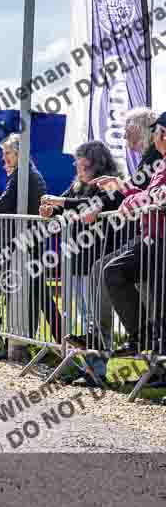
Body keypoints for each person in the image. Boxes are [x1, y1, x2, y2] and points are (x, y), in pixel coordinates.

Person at [39, 141, 124, 386]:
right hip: (76, 259)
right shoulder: (77, 185)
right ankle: (88, 368)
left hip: (97, 259)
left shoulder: (108, 185)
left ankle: (98, 371)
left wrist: (59, 203)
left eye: (81, 160)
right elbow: (66, 206)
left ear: (95, 162)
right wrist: (51, 210)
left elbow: (89, 208)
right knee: (84, 319)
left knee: (97, 319)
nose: (76, 164)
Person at [0, 133, 49, 359]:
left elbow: (8, 200)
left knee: (23, 290)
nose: (4, 159)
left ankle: (20, 342)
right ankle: (18, 341)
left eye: (7, 153)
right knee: (24, 290)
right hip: (26, 240)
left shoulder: (23, 174)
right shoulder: (24, 173)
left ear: (19, 153)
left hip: (25, 241)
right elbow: (7, 199)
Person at [101, 112, 166, 357]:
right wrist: (122, 188)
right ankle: (144, 341)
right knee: (116, 272)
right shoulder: (161, 162)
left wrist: (132, 201)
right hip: (153, 238)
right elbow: (150, 191)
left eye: (156, 133)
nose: (154, 138)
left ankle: (146, 344)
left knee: (115, 271)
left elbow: (159, 195)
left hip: (158, 239)